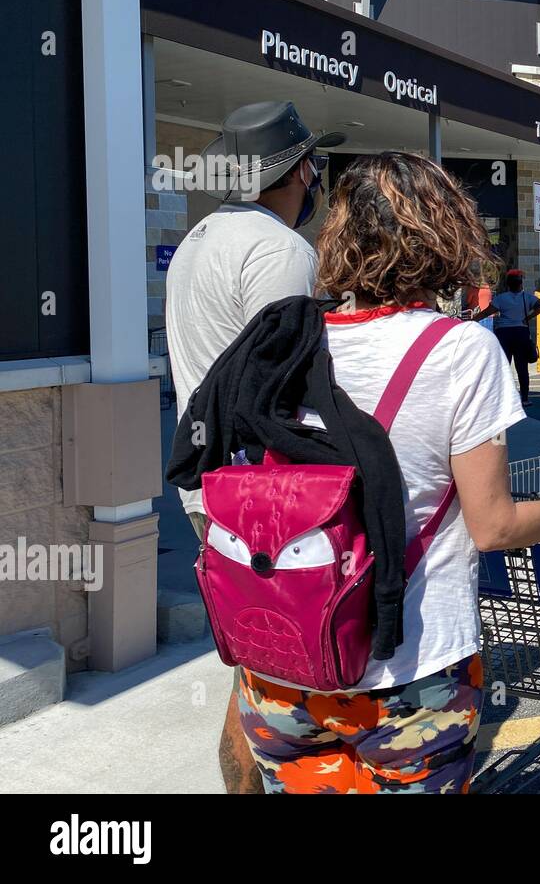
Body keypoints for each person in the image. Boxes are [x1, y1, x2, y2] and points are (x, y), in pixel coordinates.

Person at [232, 151, 540, 793]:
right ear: (445, 233)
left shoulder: (292, 339)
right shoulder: (459, 350)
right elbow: (494, 525)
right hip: (408, 676)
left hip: (284, 671)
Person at [165, 99, 345, 794]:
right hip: (262, 493)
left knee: (253, 665)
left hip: (208, 490)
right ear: (300, 168)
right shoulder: (281, 251)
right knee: (288, 669)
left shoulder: (198, 240)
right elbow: (287, 388)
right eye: (315, 164)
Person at [474, 268, 540, 406]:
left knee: (504, 366)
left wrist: (473, 319)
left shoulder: (501, 298)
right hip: (521, 333)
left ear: (508, 285)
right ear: (520, 284)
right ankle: (524, 398)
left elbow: (488, 311)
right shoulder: (527, 298)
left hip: (504, 334)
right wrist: (527, 318)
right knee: (522, 367)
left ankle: (503, 397)